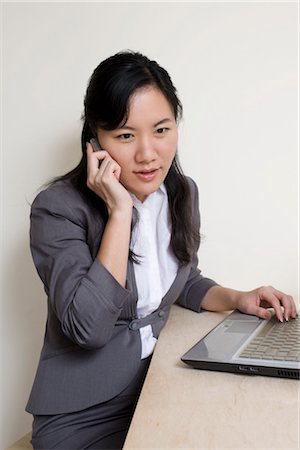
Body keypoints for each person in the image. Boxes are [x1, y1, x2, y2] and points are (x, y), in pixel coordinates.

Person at [26, 50, 297, 450]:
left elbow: (183, 282)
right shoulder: (57, 210)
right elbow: (89, 328)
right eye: (125, 136)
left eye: (161, 129)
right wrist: (120, 213)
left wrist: (238, 297)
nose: (148, 154)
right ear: (94, 142)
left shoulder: (181, 193)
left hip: (161, 383)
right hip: (84, 415)